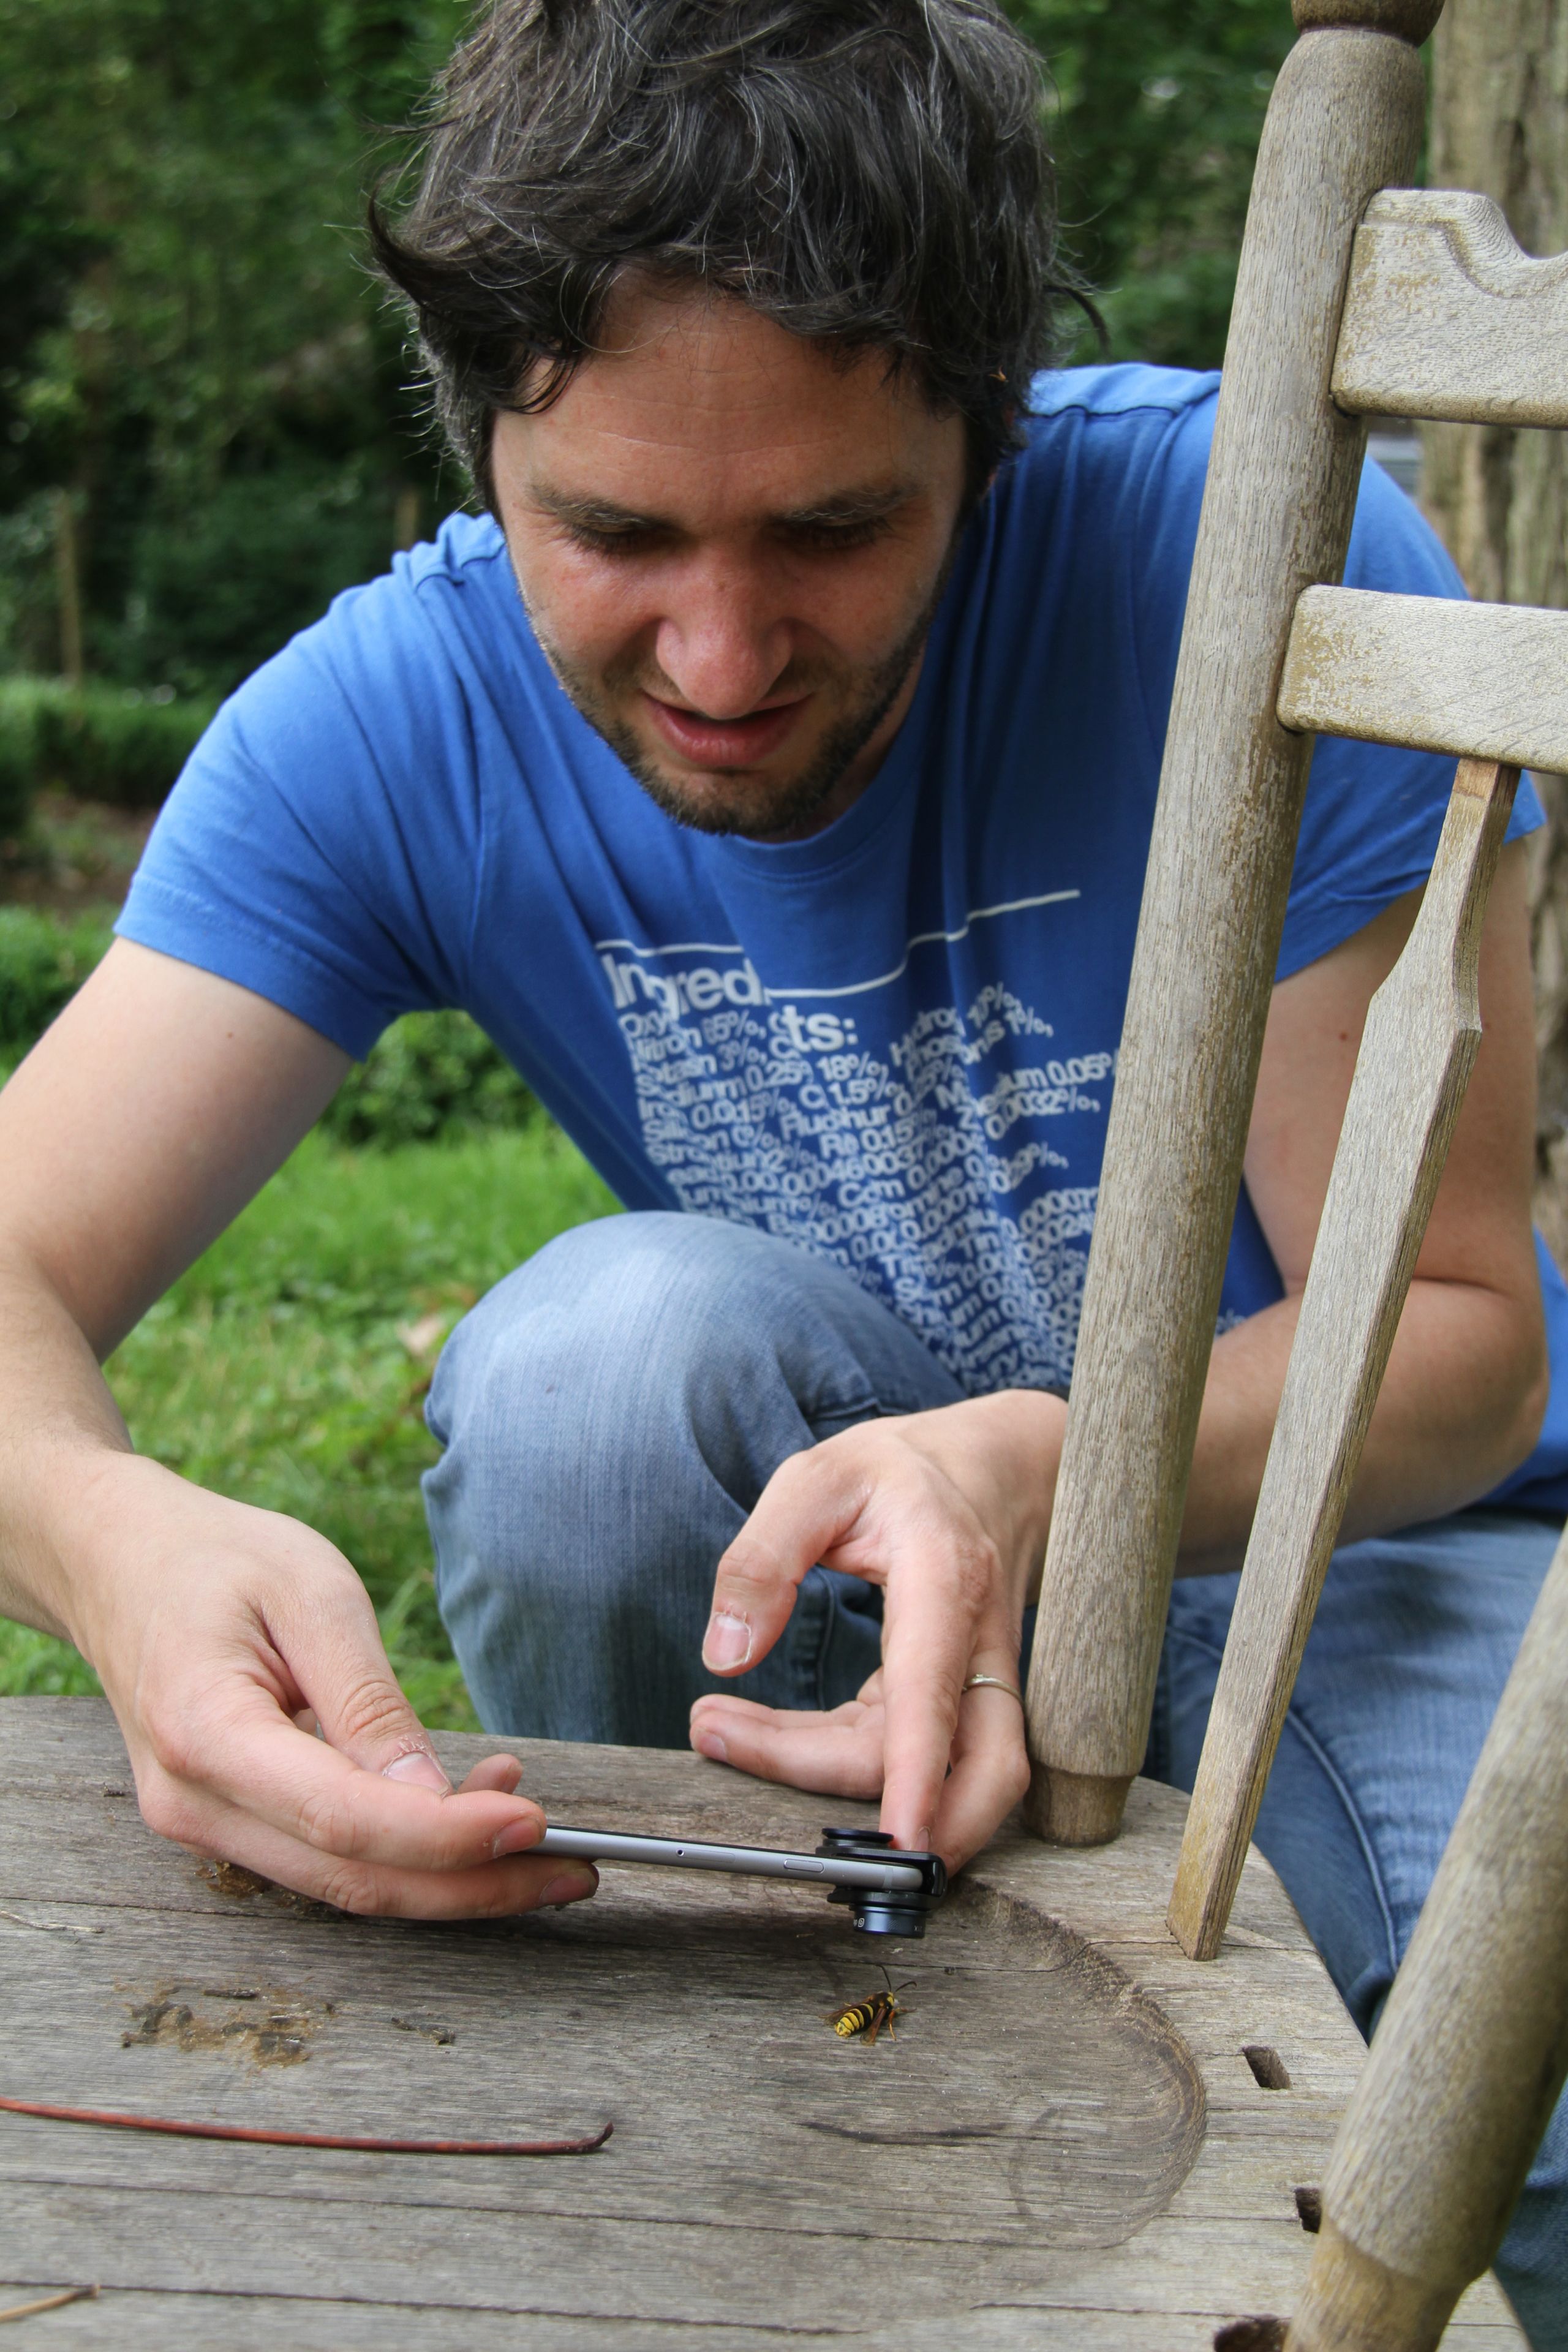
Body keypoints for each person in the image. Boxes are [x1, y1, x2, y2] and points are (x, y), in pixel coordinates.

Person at [0, 0, 1563, 2331]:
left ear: (986, 433)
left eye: (835, 529)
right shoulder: (396, 713)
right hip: (825, 1580)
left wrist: (1052, 1467)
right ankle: (729, 2162)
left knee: (1515, 2112)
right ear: (481, 446)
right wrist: (111, 1550)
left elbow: (1448, 1341)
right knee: (596, 1377)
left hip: (1344, 1544)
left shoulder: (1258, 569)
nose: (719, 654)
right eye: (612, 532)